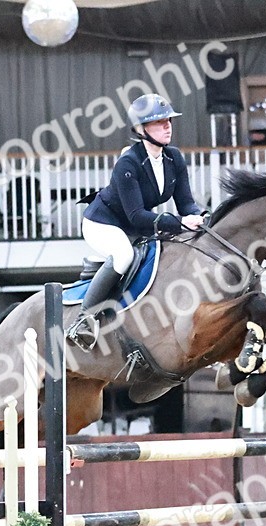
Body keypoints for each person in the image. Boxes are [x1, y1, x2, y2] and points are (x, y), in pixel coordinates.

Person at [66, 93, 206, 349]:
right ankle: (84, 320)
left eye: (169, 121)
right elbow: (137, 216)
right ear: (141, 129)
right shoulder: (128, 163)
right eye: (160, 122)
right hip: (103, 223)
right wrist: (180, 223)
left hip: (134, 225)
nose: (168, 126)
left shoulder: (174, 158)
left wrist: (199, 218)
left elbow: (186, 204)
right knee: (123, 256)